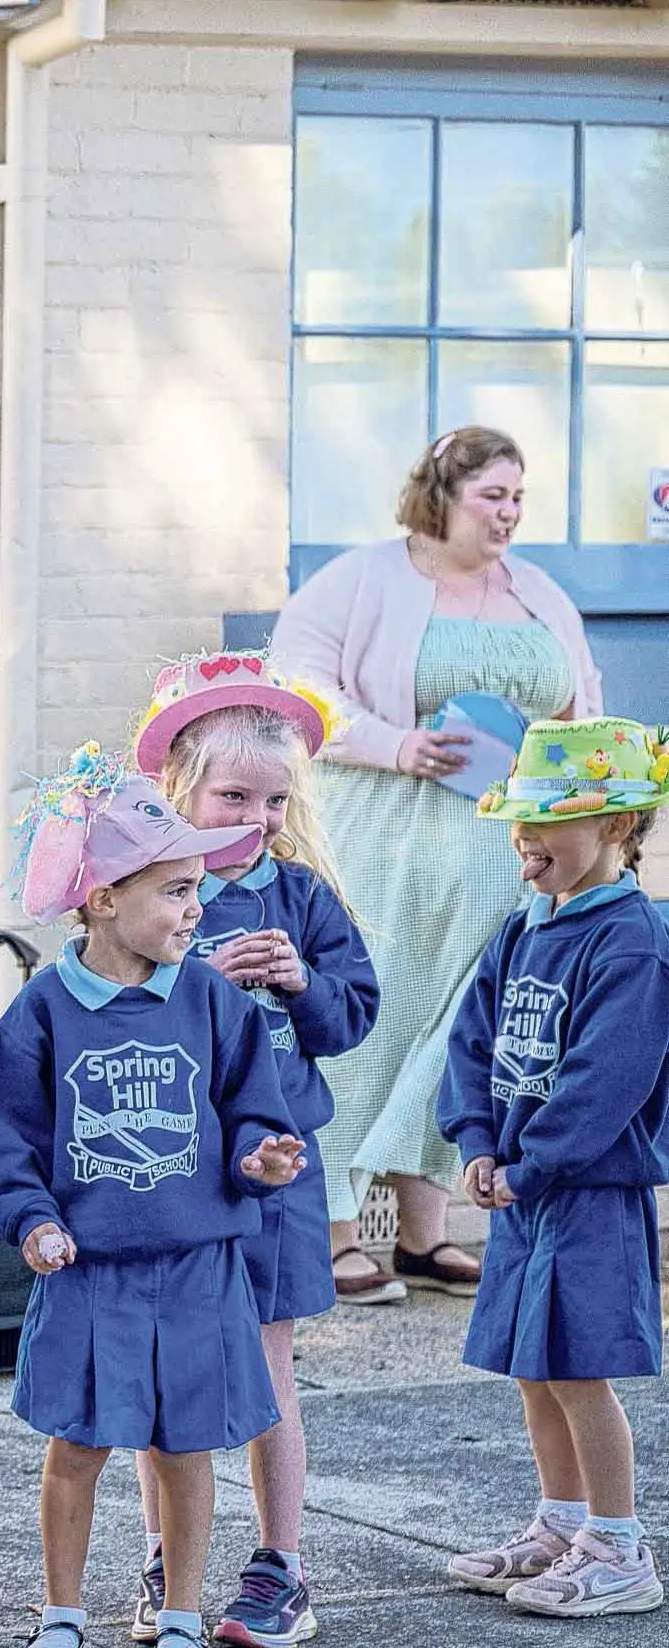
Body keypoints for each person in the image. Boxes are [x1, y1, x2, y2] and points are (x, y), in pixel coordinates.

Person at [271, 425, 604, 1304]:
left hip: (502, 853)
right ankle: (337, 1230)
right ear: (441, 495)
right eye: (491, 495)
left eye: (517, 498)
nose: (508, 513)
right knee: (372, 1022)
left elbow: (579, 702)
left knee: (465, 1029)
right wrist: (394, 743)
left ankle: (423, 1236)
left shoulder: (536, 592)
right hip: (388, 837)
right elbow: (298, 682)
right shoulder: (362, 579)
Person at [0, 748, 304, 1648]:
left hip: (198, 1266)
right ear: (102, 901)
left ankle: (182, 1614)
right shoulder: (43, 1009)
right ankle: (61, 1613)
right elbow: (2, 1135)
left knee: (184, 1449)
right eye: (172, 890)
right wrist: (32, 1220)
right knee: (77, 1448)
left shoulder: (212, 999)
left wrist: (261, 1158)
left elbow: (251, 1108)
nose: (194, 910)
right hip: (89, 1273)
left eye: (196, 887)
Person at [124, 654, 378, 1647]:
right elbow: (111, 1007)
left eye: (274, 798)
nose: (257, 814)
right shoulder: (143, 885)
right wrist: (199, 977)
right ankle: (164, 1560)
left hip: (278, 1166)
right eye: (234, 793)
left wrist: (303, 984)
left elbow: (351, 1013)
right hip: (171, 1167)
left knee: (269, 1362)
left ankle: (280, 1567)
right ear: (180, 788)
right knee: (164, 1367)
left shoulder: (303, 898)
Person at [436, 717, 668, 1619]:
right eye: (518, 821)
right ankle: (560, 1522)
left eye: (547, 821)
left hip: (585, 1191)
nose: (524, 839)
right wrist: (478, 1144)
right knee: (533, 1366)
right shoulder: (521, 928)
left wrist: (531, 1165)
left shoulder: (631, 940)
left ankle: (618, 1544)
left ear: (614, 828)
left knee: (578, 1368)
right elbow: (470, 1040)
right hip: (524, 1185)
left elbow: (607, 1077)